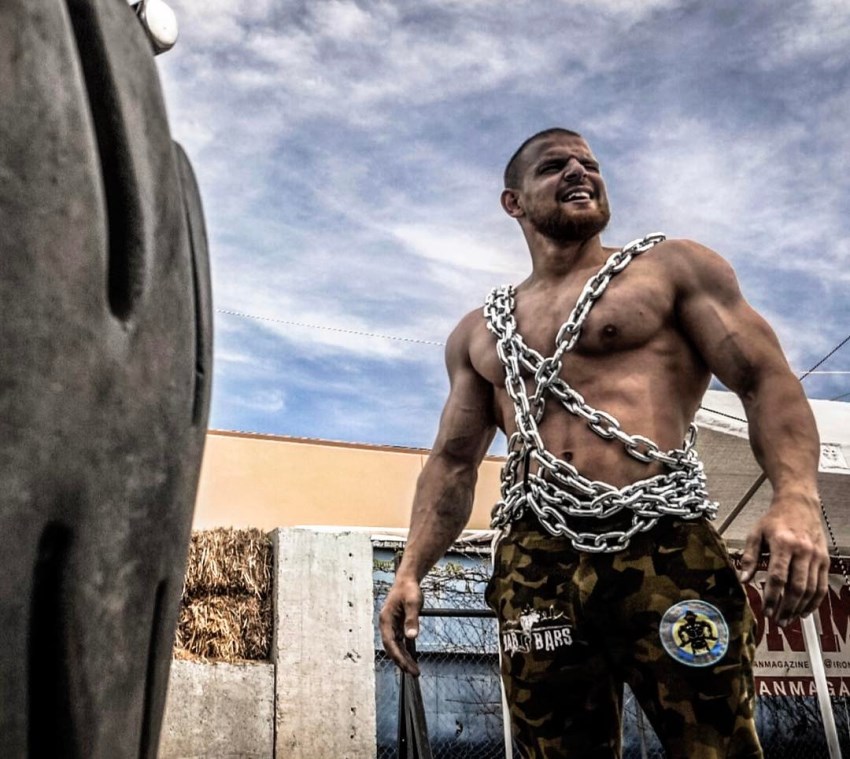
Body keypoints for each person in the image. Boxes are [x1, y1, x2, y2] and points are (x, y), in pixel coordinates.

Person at [379, 127, 829, 758]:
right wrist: (409, 571)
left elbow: (765, 380)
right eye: (553, 166)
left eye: (589, 164)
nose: (578, 172)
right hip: (538, 560)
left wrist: (797, 496)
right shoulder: (480, 332)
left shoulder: (673, 269)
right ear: (514, 202)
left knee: (715, 745)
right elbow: (453, 463)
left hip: (663, 542)